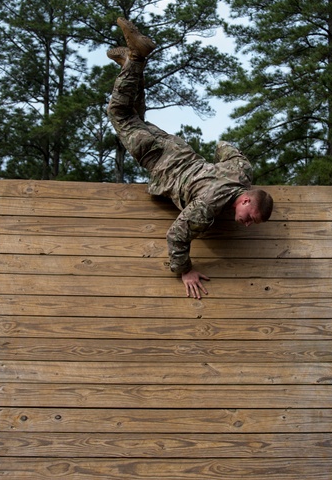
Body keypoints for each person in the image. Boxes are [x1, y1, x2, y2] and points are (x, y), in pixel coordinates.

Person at [106, 17, 274, 299]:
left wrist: (208, 169)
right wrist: (184, 269)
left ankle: (129, 67)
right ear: (245, 200)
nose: (245, 224)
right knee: (119, 113)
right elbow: (176, 235)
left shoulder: (242, 172)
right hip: (158, 159)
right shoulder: (209, 206)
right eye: (249, 218)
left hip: (177, 149)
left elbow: (224, 146)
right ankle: (136, 56)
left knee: (135, 117)